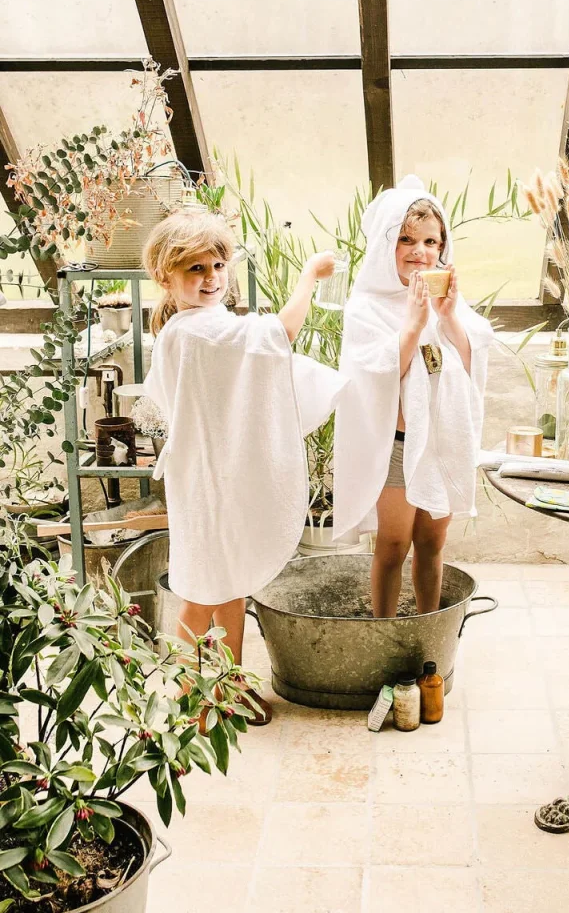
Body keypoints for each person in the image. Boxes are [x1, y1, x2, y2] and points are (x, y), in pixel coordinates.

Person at [142, 210, 345, 723]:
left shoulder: (197, 327)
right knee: (198, 589)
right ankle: (191, 696)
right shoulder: (196, 333)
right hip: (207, 482)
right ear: (166, 277)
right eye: (195, 269)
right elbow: (280, 334)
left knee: (230, 583)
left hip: (214, 475)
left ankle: (229, 684)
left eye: (218, 265)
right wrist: (309, 275)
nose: (211, 278)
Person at [333, 176, 494, 618]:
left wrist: (447, 317)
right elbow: (374, 376)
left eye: (430, 241)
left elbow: (471, 362)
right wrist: (412, 325)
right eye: (405, 239)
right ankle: (384, 629)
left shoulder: (450, 301)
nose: (418, 251)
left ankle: (427, 626)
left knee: (432, 540)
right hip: (397, 446)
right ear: (386, 244)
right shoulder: (366, 305)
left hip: (443, 441)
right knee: (393, 543)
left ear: (443, 246)